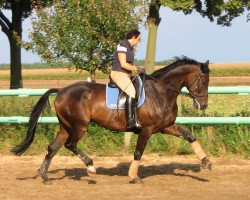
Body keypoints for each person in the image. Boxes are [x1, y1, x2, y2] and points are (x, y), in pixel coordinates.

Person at [110, 29, 144, 131]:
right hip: (118, 73)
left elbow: (131, 64)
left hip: (126, 74)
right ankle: (130, 121)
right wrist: (137, 69)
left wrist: (138, 70)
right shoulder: (122, 45)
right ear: (134, 37)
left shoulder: (130, 47)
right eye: (138, 39)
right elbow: (123, 64)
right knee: (131, 91)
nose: (138, 41)